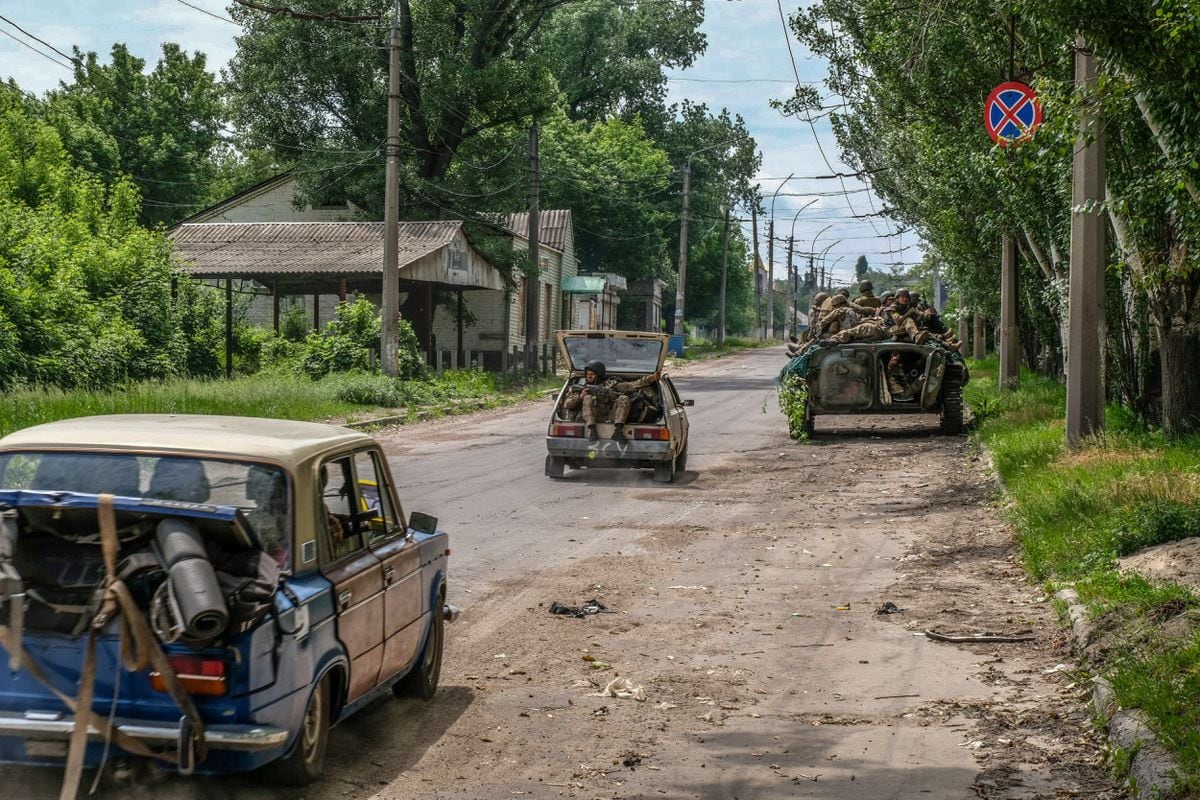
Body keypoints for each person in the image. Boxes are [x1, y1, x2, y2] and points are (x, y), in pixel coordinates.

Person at [561, 360, 661, 442]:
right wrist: (580, 396)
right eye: (587, 374)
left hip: (611, 416)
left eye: (592, 374)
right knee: (588, 398)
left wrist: (651, 378)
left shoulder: (610, 385)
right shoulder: (582, 389)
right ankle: (592, 431)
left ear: (599, 374)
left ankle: (618, 431)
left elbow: (632, 385)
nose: (589, 376)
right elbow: (567, 405)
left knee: (624, 398)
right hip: (593, 418)